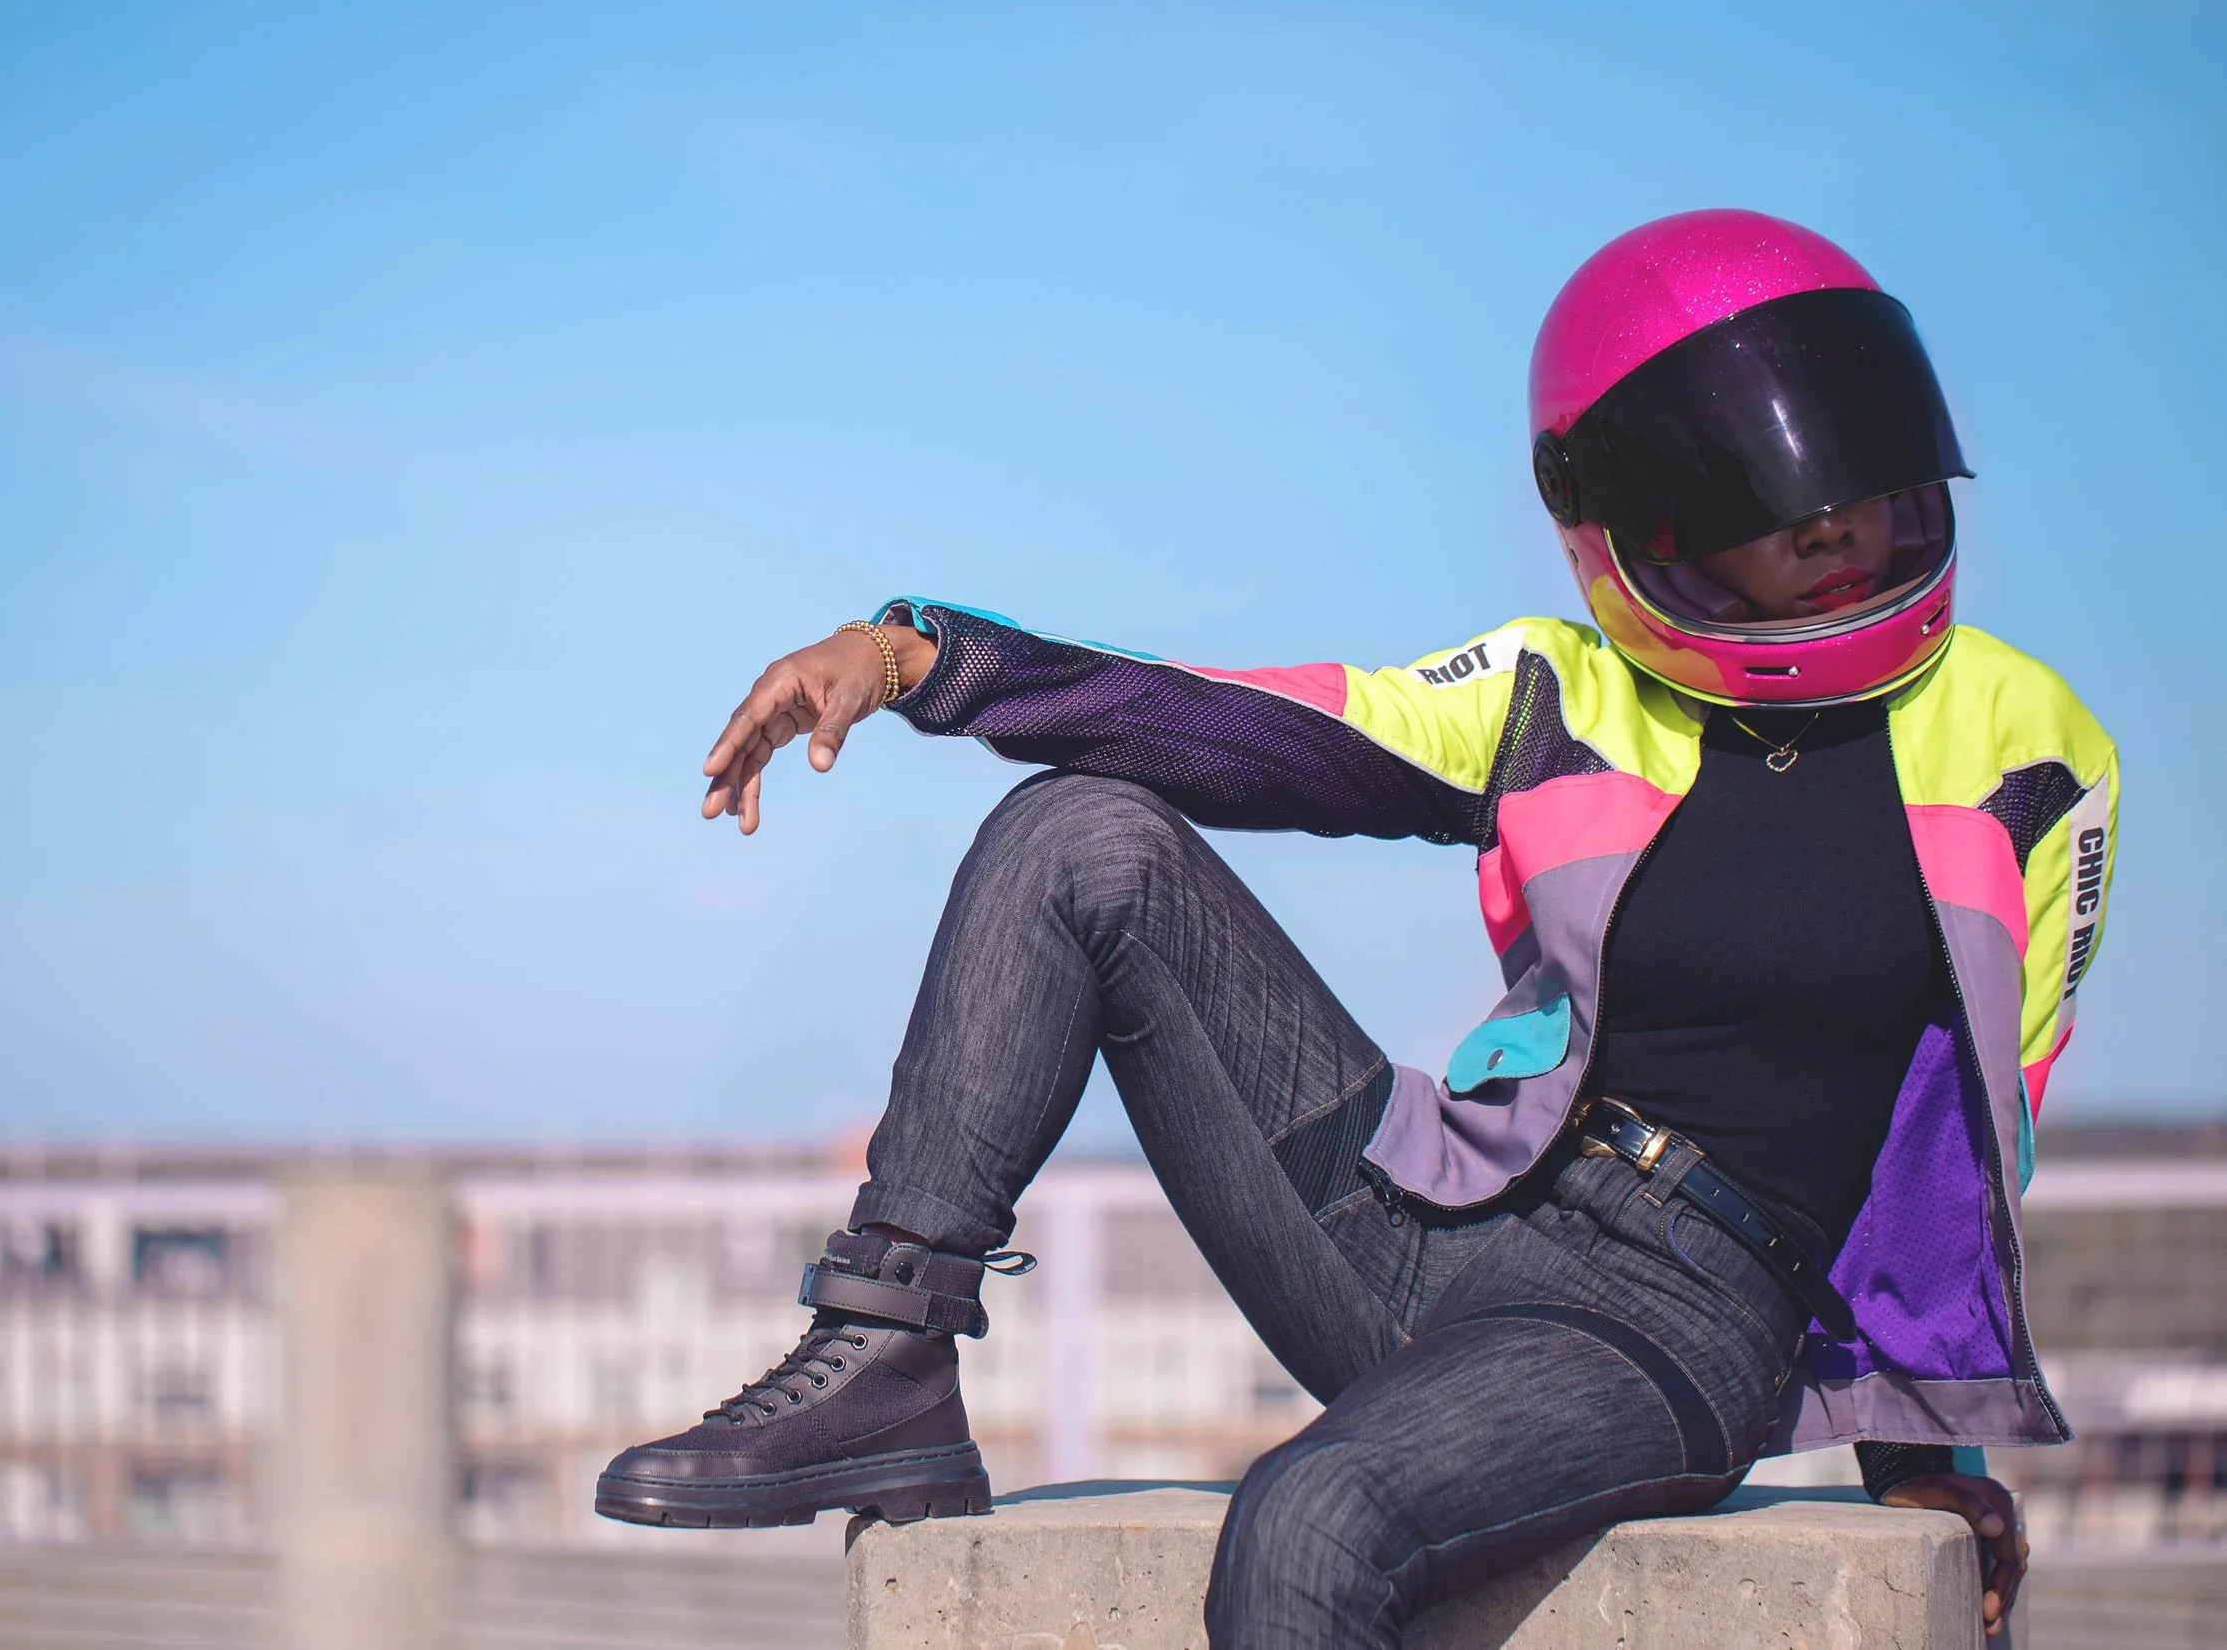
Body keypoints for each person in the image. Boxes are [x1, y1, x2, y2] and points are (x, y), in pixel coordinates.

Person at [595, 210, 2115, 1645]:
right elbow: (1245, 727)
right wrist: (911, 654)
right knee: (1082, 837)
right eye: (1778, 498)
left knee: (1310, 1522)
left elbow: (1975, 1130)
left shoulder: (2028, 747)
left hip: (1685, 1310)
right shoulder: (1561, 689)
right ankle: (885, 1355)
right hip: (1444, 1218)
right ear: (1644, 513)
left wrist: (1928, 1461)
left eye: (1858, 474)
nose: (1839, 526)